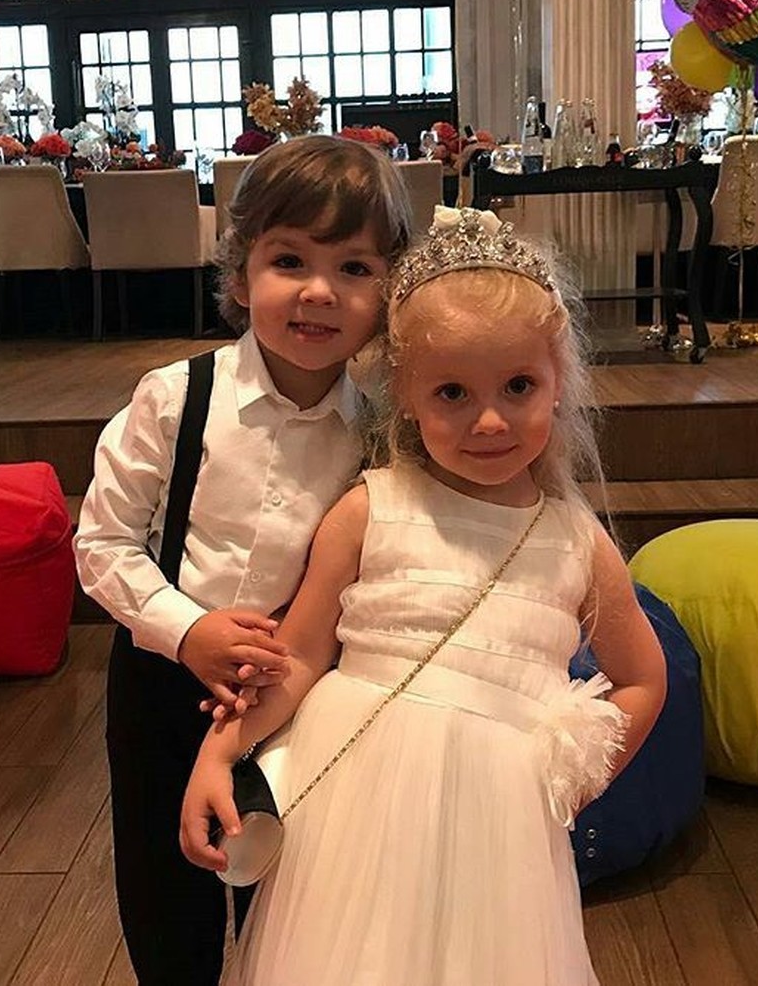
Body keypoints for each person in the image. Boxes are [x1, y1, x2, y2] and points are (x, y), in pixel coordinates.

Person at [181, 206, 668, 985]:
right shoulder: (368, 510)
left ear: (558, 383)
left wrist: (574, 778)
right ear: (405, 395)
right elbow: (297, 661)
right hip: (353, 811)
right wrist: (219, 752)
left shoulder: (576, 542)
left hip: (499, 824)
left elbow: (643, 677)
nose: (489, 420)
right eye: (451, 392)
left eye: (518, 386)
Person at [74, 134, 413, 986]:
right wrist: (187, 631)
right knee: (165, 901)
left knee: (291, 904)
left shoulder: (380, 431)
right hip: (161, 685)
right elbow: (103, 542)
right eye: (289, 260)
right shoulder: (175, 398)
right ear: (239, 274)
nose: (319, 292)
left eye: (355, 268)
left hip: (297, 698)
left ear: (390, 294)